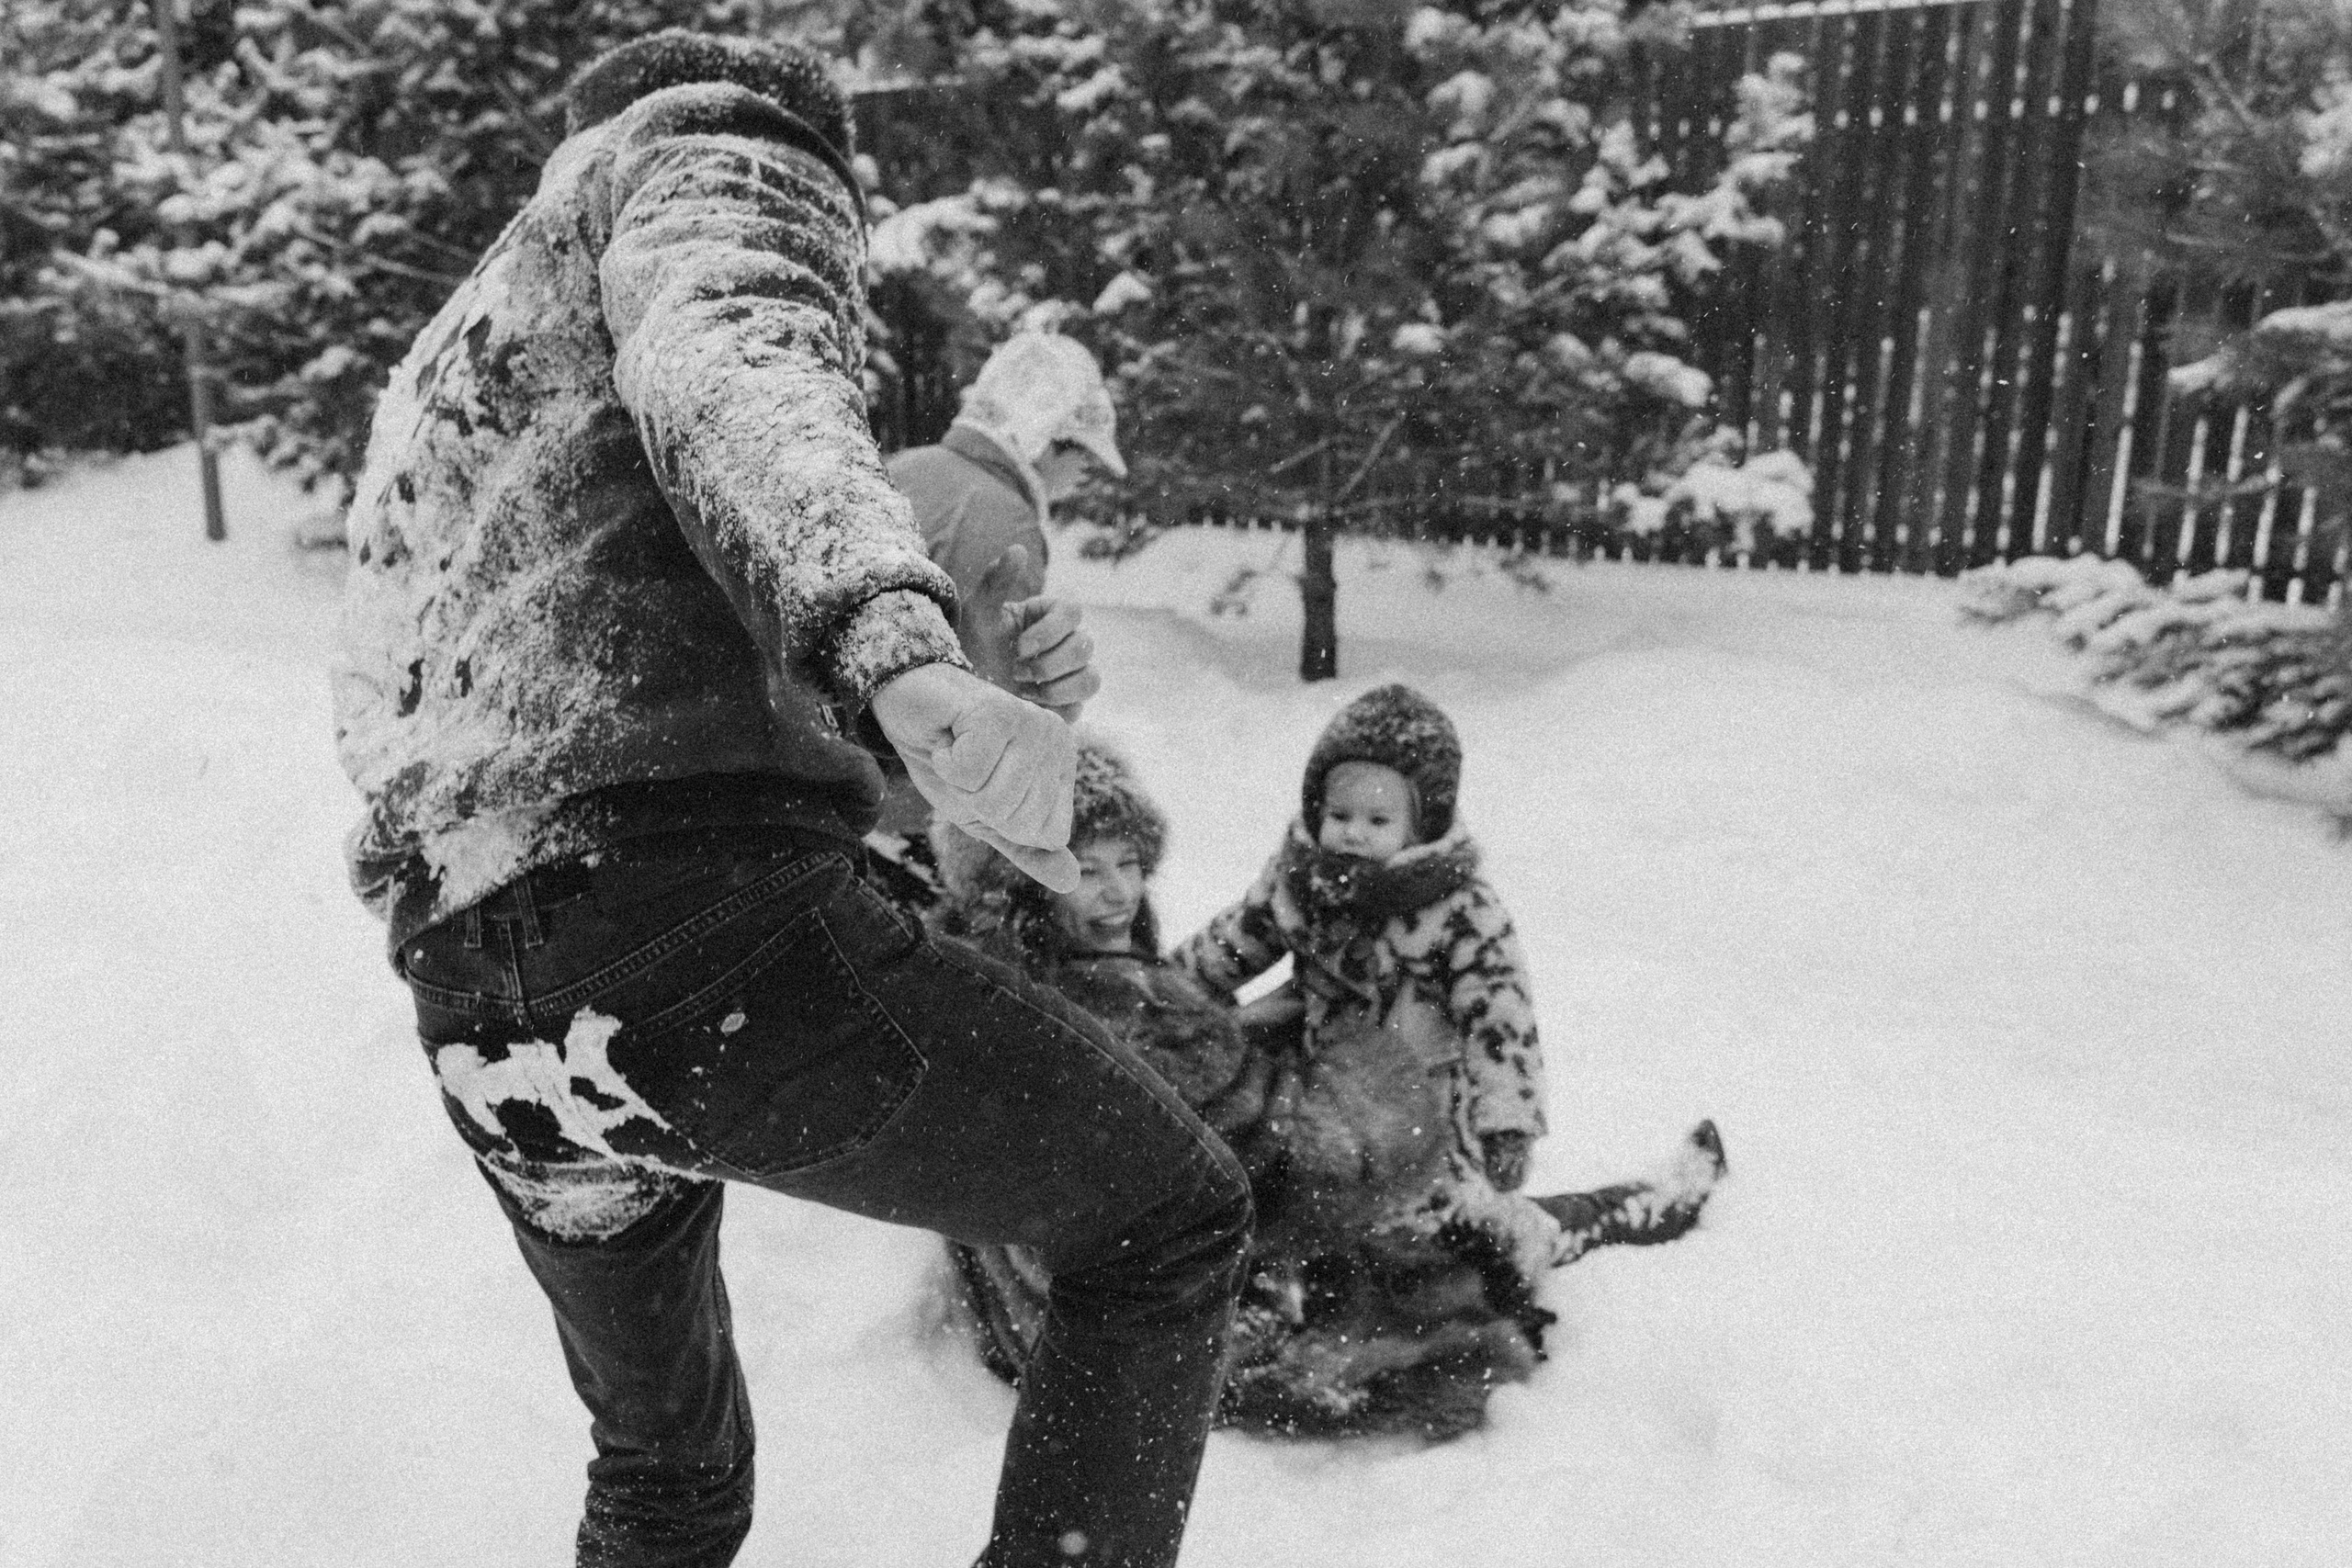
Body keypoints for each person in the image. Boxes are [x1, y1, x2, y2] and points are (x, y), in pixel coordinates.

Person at [332, 32, 1249, 1568]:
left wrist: (899, 746)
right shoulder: (712, 150)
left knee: (670, 1475)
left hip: (483, 1002)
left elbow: (406, 699)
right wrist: (894, 640)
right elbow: (733, 363)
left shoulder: (453, 365)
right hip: (692, 926)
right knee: (1164, 1221)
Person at [930, 738, 1725, 1438]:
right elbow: (1296, 1164)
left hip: (1069, 1293)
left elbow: (1179, 1080)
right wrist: (1388, 1067)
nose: (1118, 893)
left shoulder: (1006, 989)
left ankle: (1551, 1219)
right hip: (1191, 1322)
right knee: (1443, 1214)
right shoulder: (1112, 1017)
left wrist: (1248, 1024)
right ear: (1027, 886)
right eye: (1085, 870)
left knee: (1367, 1135)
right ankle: (1596, 1217)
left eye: (1129, 864)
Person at [865, 333, 1126, 905]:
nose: (1086, 475)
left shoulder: (905, 467)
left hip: (837, 788)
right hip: (907, 816)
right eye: (1083, 453)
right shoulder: (1005, 521)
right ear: (1047, 439)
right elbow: (982, 703)